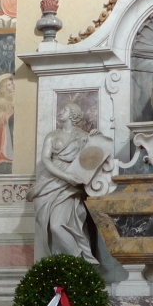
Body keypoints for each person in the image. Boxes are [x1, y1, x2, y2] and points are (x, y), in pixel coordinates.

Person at [26, 103, 99, 264]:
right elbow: (46, 159)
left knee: (57, 226)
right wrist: (65, 176)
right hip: (50, 182)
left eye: (65, 110)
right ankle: (74, 263)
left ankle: (80, 262)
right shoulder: (52, 135)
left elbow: (94, 156)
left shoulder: (84, 136)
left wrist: (96, 137)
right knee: (50, 226)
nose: (61, 112)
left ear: (73, 113)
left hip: (69, 187)